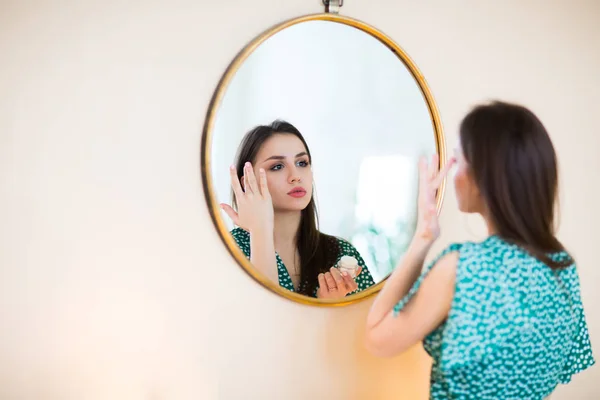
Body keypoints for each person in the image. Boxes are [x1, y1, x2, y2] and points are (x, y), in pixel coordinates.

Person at [365, 101, 595, 399]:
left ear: (483, 177)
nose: (452, 171)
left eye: (458, 160)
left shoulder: (465, 268)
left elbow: (377, 338)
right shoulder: (561, 266)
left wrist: (424, 235)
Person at [220, 120, 375, 298]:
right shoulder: (229, 252)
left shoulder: (341, 252)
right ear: (248, 181)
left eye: (302, 163)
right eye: (277, 167)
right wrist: (260, 230)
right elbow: (258, 318)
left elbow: (367, 322)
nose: (295, 177)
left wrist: (330, 310)